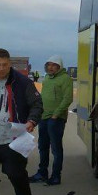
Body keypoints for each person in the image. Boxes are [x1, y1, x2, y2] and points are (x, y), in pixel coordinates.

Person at [0, 48, 42, 195]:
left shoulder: (22, 82)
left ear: (10, 64)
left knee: (15, 175)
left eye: (4, 65)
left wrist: (31, 121)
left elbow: (37, 104)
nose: (1, 69)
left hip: (12, 140)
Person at [29, 55, 72, 187]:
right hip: (44, 117)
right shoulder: (46, 78)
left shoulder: (65, 79)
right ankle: (42, 173)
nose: (50, 67)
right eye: (48, 65)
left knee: (56, 149)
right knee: (42, 146)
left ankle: (55, 176)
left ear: (59, 66)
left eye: (54, 65)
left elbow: (68, 98)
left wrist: (56, 114)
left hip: (56, 119)